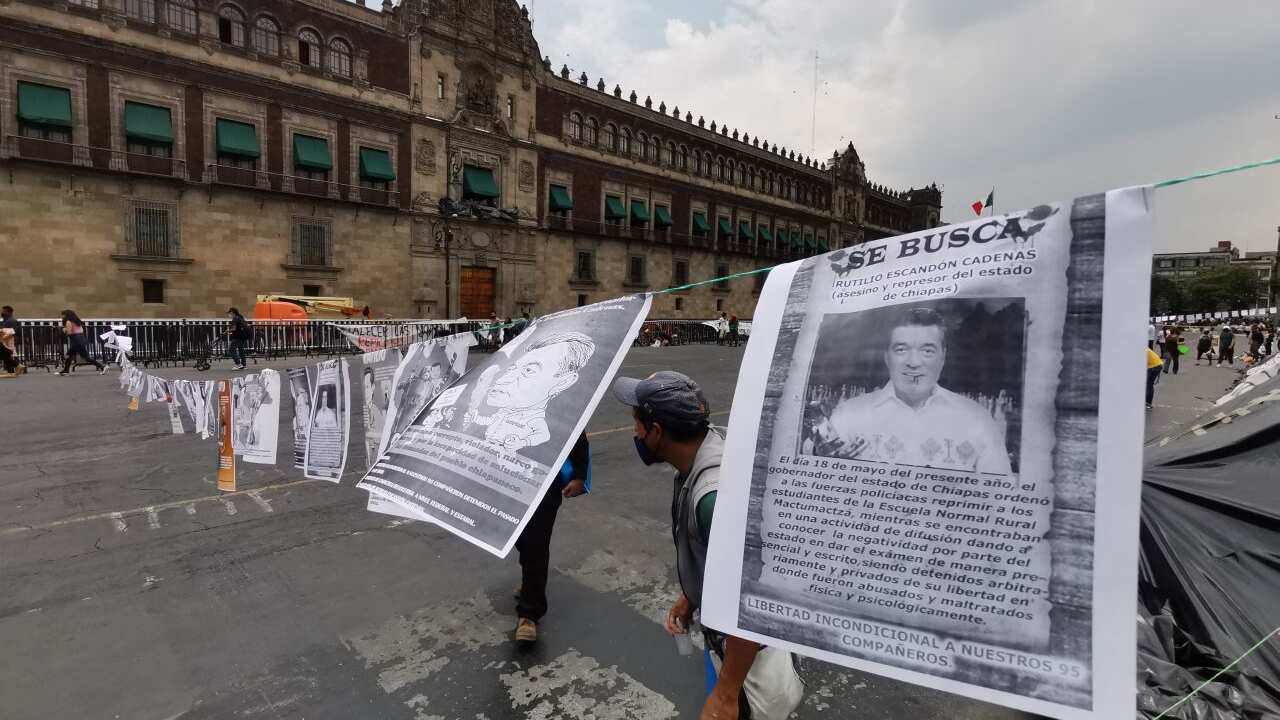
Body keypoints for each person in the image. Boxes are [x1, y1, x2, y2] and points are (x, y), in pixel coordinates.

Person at [612, 371, 768, 719]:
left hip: (746, 651)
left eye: (637, 424)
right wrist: (692, 597)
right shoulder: (703, 452)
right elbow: (715, 558)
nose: (634, 433)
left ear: (656, 432)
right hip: (726, 637)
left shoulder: (712, 498)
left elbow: (751, 605)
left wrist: (726, 693)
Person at [820, 308, 1013, 475]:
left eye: (927, 351)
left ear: (943, 358)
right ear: (887, 357)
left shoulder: (977, 418)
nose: (913, 363)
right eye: (901, 350)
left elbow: (1000, 498)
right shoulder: (849, 414)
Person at [463, 332, 596, 453]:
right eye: (512, 369)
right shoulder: (504, 411)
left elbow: (543, 435)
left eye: (528, 371)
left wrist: (522, 442)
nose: (501, 380)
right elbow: (489, 420)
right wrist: (474, 418)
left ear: (563, 382)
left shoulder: (551, 426)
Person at [513, 432, 590, 644]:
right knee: (520, 540)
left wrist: (579, 476)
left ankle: (529, 615)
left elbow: (576, 433)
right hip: (507, 478)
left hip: (545, 482)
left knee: (536, 545)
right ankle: (530, 583)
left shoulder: (555, 400)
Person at [58, 309, 106, 376]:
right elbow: (81, 330)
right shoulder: (77, 321)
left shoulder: (68, 322)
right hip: (80, 340)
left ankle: (102, 366)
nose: (61, 316)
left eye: (63, 315)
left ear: (66, 315)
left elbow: (69, 333)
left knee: (81, 357)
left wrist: (64, 330)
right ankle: (66, 370)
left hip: (76, 341)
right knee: (71, 356)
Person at [0, 305, 24, 378]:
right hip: (6, 342)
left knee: (5, 355)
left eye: (4, 311)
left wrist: (3, 335)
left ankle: (17, 366)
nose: (2, 312)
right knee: (5, 356)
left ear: (9, 312)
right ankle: (11, 371)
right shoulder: (7, 320)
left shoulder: (11, 321)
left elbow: (12, 332)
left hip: (7, 342)